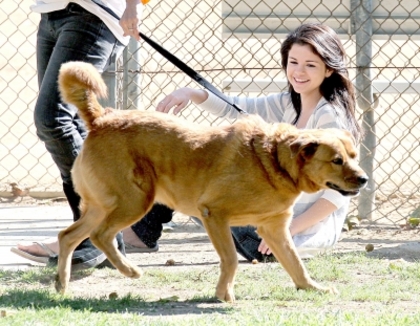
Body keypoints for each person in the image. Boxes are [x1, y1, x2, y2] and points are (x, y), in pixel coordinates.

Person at [150, 22, 363, 261]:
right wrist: (191, 93)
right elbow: (238, 108)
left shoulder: (330, 117)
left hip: (288, 238)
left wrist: (286, 232)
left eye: (310, 65)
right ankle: (138, 236)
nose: (299, 72)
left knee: (188, 179)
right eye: (293, 63)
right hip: (266, 218)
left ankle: (136, 237)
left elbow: (338, 195)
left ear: (329, 70)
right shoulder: (288, 103)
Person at [11, 0, 174, 269]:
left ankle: (91, 231)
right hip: (50, 12)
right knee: (67, 123)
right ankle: (104, 237)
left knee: (53, 119)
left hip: (94, 14)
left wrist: (132, 6)